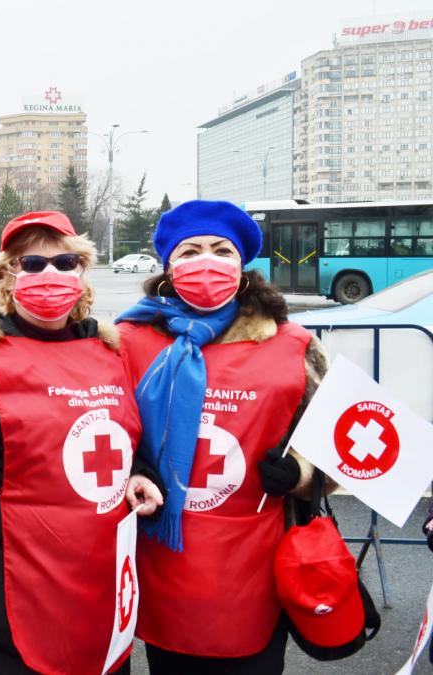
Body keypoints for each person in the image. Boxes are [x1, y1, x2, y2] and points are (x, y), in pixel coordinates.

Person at [0, 211, 163, 675]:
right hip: (3, 611)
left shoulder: (110, 354)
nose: (50, 275)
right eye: (33, 264)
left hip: (101, 603)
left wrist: (140, 471)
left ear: (81, 272)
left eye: (64, 262)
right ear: (7, 275)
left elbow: (122, 435)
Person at [116, 199, 328, 675]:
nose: (205, 262)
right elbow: (100, 427)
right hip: (163, 563)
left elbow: (337, 448)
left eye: (220, 250)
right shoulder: (128, 340)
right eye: (189, 252)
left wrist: (301, 473)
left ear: (243, 264)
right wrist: (135, 469)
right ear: (168, 267)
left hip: (253, 567)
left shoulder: (292, 345)